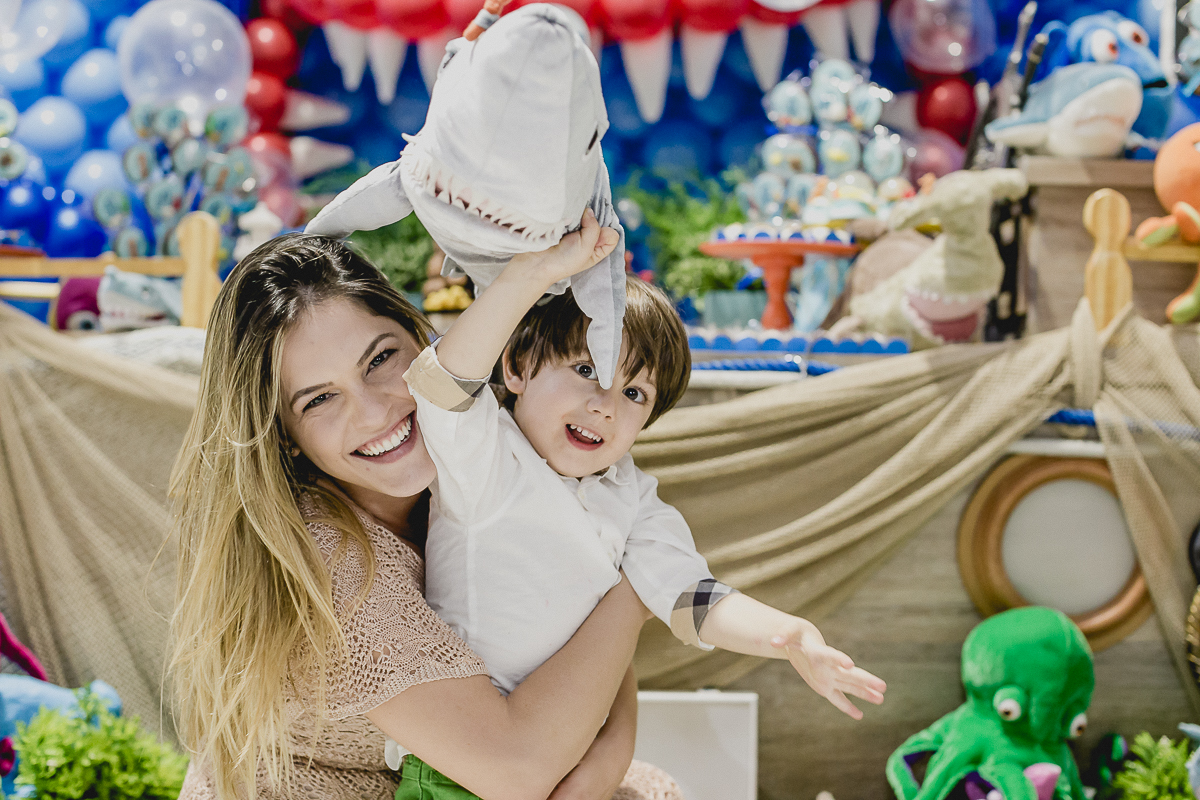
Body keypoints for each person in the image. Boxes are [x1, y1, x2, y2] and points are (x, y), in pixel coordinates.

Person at [168, 228, 675, 800]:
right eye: (319, 399)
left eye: (381, 359)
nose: (374, 412)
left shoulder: (493, 452)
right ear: (284, 435)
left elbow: (580, 619)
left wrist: (608, 762)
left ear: (421, 339)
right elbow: (517, 769)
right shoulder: (332, 560)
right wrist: (637, 591)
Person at [396, 209, 888, 795]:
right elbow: (441, 383)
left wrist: (788, 635)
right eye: (586, 368)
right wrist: (532, 275)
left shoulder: (629, 494)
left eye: (634, 392)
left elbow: (689, 595)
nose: (605, 404)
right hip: (465, 763)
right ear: (519, 366)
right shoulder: (487, 456)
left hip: (569, 752)